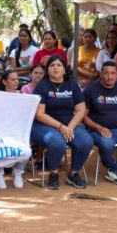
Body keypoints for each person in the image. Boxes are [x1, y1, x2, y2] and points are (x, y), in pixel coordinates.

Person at [32, 54, 92, 190]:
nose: (55, 68)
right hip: (44, 125)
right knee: (57, 142)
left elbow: (81, 110)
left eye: (59, 65)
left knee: (86, 141)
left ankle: (74, 173)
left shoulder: (72, 85)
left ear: (64, 69)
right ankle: (54, 173)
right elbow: (39, 114)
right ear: (47, 70)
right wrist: (60, 127)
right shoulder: (42, 86)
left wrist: (69, 127)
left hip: (68, 123)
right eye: (52, 65)